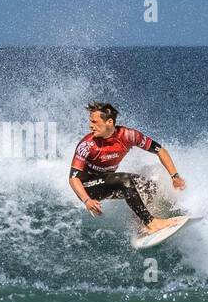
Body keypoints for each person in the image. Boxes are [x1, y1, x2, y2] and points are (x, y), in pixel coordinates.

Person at [68, 101, 187, 235]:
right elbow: (73, 178)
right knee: (125, 180)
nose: (91, 126)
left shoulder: (129, 136)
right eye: (91, 121)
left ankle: (140, 221)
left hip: (107, 180)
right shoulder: (87, 144)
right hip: (87, 188)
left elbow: (160, 150)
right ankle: (152, 223)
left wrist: (175, 176)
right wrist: (87, 200)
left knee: (148, 186)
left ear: (109, 122)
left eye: (95, 122)